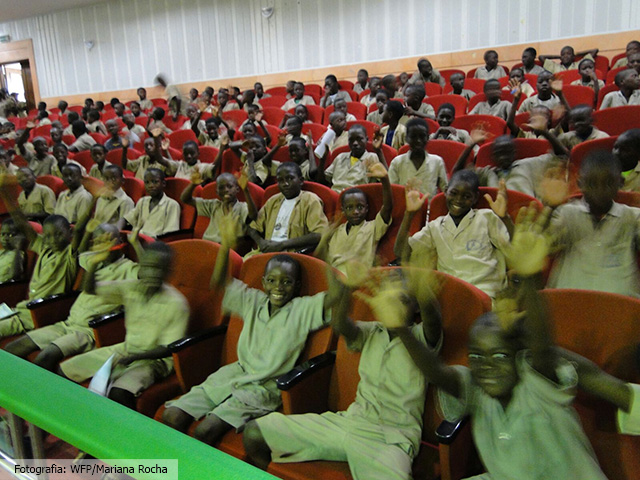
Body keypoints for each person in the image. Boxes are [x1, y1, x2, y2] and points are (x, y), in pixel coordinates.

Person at [390, 206, 609, 479]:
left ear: (519, 356)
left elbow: (542, 346)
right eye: (477, 358)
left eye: (500, 356)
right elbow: (437, 372)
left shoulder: (537, 380)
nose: (487, 367)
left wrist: (529, 279)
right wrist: (401, 327)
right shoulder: (477, 389)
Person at [243, 265, 443, 480]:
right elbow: (341, 324)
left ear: (416, 307)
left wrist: (422, 289)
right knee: (254, 433)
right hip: (349, 422)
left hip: (391, 436)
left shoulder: (422, 338)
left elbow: (433, 320)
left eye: (401, 300)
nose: (391, 305)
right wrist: (347, 287)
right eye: (387, 298)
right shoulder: (371, 331)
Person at [161, 219, 341, 445]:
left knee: (205, 431)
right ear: (264, 283)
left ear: (296, 287)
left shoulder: (302, 308)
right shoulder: (253, 300)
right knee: (172, 416)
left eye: (287, 282)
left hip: (264, 386)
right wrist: (225, 245)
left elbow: (335, 297)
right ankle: (167, 471)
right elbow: (219, 284)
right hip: (233, 374)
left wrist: (324, 250)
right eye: (273, 281)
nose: (278, 287)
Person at [59, 240, 189, 410]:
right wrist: (95, 262)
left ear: (168, 272)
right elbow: (90, 288)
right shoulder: (131, 287)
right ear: (140, 267)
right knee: (65, 372)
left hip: (155, 360)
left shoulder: (177, 304)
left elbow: (168, 348)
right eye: (148, 267)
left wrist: (133, 358)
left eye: (159, 269)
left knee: (119, 392)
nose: (152, 273)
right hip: (126, 349)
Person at [5, 223, 138, 371]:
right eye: (99, 241)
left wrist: (136, 244)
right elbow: (82, 253)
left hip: (87, 331)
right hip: (66, 324)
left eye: (108, 241)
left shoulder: (128, 268)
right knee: (13, 347)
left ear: (119, 242)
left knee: (46, 356)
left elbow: (149, 273)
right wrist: (94, 247)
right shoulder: (93, 261)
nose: (104, 246)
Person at [394, 170, 512, 299]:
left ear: (475, 198)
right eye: (454, 193)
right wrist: (409, 214)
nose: (458, 200)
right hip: (449, 296)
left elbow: (516, 250)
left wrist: (505, 218)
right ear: (445, 191)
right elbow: (401, 251)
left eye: (466, 196)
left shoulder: (486, 217)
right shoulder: (435, 226)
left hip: (485, 293)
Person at [0, 174, 86, 338]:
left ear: (69, 233)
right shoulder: (44, 247)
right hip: (19, 308)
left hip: (36, 313)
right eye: (47, 236)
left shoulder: (69, 254)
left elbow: (81, 228)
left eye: (58, 235)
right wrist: (4, 191)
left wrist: (95, 198)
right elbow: (20, 222)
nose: (52, 240)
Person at [545, 151, 640, 297]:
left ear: (620, 182)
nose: (599, 191)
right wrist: (550, 206)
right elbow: (545, 247)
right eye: (591, 184)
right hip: (567, 304)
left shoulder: (632, 217)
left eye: (608, 183)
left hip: (621, 308)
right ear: (580, 183)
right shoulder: (566, 213)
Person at [315, 162, 392, 274]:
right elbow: (322, 258)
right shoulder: (336, 230)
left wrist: (385, 180)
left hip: (357, 278)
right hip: (334, 277)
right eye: (350, 207)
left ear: (366, 209)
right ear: (343, 210)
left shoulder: (373, 227)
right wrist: (325, 236)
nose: (355, 212)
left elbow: (387, 207)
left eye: (360, 207)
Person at [248, 162, 327, 254]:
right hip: (268, 250)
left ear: (301, 180)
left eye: (290, 178)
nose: (285, 184)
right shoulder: (273, 200)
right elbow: (252, 228)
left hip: (292, 253)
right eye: (280, 180)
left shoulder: (310, 200)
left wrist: (282, 245)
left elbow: (319, 234)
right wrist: (261, 243)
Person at [181, 171, 257, 244]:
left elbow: (253, 215)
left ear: (237, 189)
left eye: (230, 186)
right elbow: (185, 199)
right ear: (217, 192)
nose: (226, 190)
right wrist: (193, 184)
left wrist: (246, 190)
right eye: (221, 188)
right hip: (208, 245)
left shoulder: (242, 207)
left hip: (227, 249)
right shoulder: (213, 205)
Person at [389, 118, 448, 196]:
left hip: (429, 207)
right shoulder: (397, 162)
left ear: (427, 138)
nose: (418, 140)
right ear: (407, 138)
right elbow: (392, 191)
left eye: (422, 136)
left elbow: (446, 190)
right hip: (404, 207)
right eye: (413, 137)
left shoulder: (437, 161)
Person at [320, 124, 385, 193]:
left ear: (366, 139)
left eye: (359, 139)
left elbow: (386, 179)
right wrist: (322, 160)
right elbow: (323, 181)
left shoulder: (371, 157)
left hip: (355, 198)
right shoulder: (340, 157)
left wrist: (378, 151)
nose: (355, 143)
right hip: (335, 195)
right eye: (351, 140)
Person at [122, 168, 181, 238]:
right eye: (147, 182)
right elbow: (127, 219)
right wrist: (117, 229)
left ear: (163, 183)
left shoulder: (172, 205)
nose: (150, 185)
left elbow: (170, 235)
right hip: (136, 240)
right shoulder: (142, 201)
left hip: (155, 244)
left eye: (155, 182)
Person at [0, 218, 25, 283]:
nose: (5, 238)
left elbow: (14, 275)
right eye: (3, 234)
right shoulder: (1, 252)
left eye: (10, 235)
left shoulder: (18, 254)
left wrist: (18, 248)